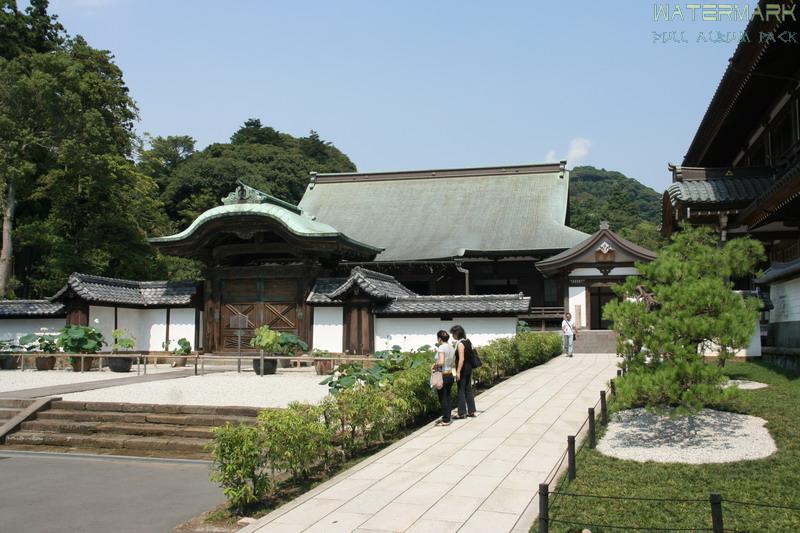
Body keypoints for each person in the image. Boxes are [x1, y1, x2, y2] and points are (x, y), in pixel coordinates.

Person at [450, 325, 476, 418]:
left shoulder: (460, 344)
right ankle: (471, 410)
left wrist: (458, 372)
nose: (452, 336)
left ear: (457, 333)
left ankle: (462, 412)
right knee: (468, 389)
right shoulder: (468, 341)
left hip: (463, 369)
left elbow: (461, 359)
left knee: (461, 390)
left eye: (453, 333)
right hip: (469, 368)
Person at [432, 330, 456, 426]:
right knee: (448, 397)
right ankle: (447, 416)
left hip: (442, 375)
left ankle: (446, 419)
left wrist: (434, 365)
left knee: (442, 398)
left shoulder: (441, 347)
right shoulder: (451, 347)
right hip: (450, 374)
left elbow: (441, 362)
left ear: (439, 338)